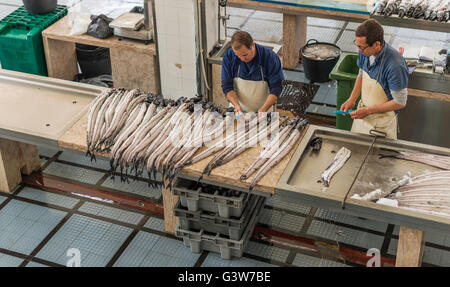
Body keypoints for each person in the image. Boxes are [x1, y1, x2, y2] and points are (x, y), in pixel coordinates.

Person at [340, 19, 409, 139]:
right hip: (363, 113)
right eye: (358, 46)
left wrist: (368, 111)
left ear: (377, 44)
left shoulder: (395, 66)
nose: (359, 51)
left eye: (362, 48)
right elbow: (361, 74)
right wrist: (352, 99)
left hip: (382, 123)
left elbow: (400, 102)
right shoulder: (364, 52)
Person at [221, 31, 284, 117]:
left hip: (264, 111)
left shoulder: (269, 57)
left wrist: (263, 110)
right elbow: (226, 86)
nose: (242, 59)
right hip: (239, 112)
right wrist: (236, 106)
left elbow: (276, 88)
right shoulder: (229, 56)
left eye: (245, 55)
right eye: (238, 56)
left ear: (252, 45)